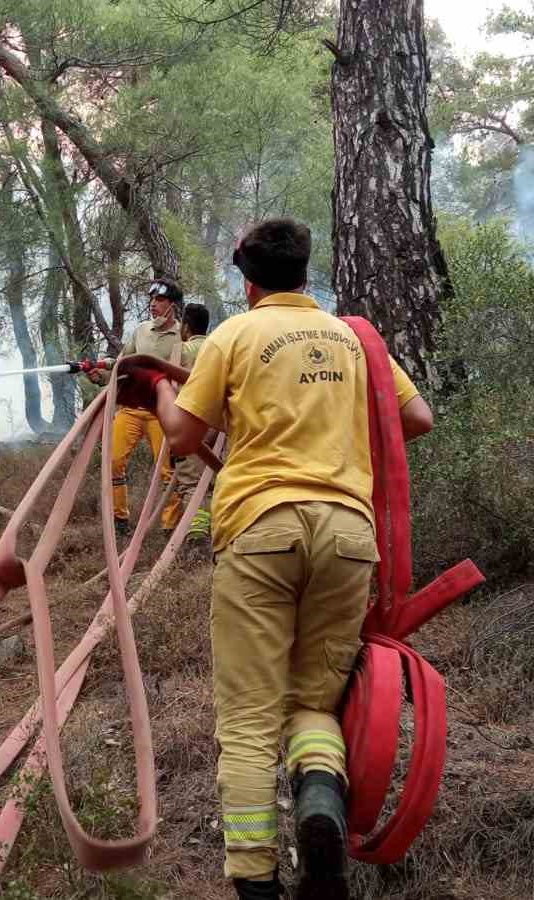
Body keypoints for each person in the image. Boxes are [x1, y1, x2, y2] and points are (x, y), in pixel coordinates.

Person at [118, 219, 434, 900]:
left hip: (261, 530)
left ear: (246, 278)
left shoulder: (233, 335)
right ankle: (319, 799)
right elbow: (416, 420)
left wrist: (162, 391)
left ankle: (256, 879)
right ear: (305, 270)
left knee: (250, 716)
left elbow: (179, 436)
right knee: (314, 700)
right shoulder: (356, 338)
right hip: (348, 536)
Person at [99, 278, 186, 537]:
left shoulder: (182, 335)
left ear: (172, 305)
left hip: (162, 413)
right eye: (151, 300)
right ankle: (119, 520)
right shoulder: (141, 331)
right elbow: (123, 363)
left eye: (159, 300)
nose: (153, 305)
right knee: (113, 461)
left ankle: (170, 526)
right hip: (132, 410)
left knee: (167, 471)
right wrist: (102, 370)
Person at [168, 302, 214, 554]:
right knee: (216, 481)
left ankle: (197, 539)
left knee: (191, 484)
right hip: (220, 428)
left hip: (190, 425)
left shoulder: (180, 349)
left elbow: (172, 387)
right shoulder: (218, 347)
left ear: (185, 327)